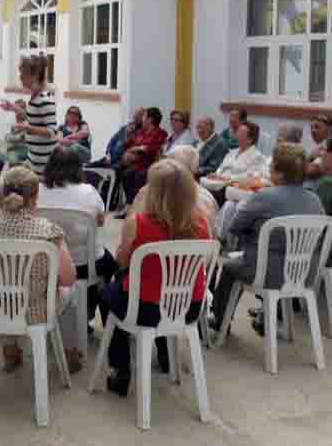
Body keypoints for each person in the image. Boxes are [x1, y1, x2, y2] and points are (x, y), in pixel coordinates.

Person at [100, 159, 208, 397]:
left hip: (145, 309)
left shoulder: (137, 223)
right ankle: (167, 357)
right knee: (163, 288)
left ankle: (120, 368)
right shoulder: (201, 222)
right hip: (188, 307)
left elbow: (122, 261)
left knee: (110, 294)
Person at [0, 166, 75, 371]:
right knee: (71, 290)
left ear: (2, 193)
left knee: (5, 287)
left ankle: (10, 349)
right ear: (35, 197)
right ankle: (70, 355)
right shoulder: (48, 231)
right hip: (34, 312)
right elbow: (68, 278)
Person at [209, 144, 325, 332]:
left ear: (278, 174)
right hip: (303, 273)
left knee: (230, 267)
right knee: (273, 255)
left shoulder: (264, 197)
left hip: (267, 272)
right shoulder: (315, 200)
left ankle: (220, 319)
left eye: (271, 168)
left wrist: (252, 237)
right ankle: (267, 317)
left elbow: (235, 227)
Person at [38, 144, 119, 371]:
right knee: (109, 264)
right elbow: (100, 221)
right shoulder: (88, 191)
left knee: (102, 261)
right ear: (78, 167)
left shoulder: (37, 190)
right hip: (84, 265)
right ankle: (94, 316)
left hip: (48, 263)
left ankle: (80, 315)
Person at [131, 145, 217, 237]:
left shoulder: (147, 193)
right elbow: (213, 237)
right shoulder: (208, 198)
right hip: (198, 249)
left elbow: (132, 232)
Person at [0, 55, 57, 175]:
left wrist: (26, 128)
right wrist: (13, 108)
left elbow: (52, 132)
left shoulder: (44, 98)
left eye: (22, 75)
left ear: (35, 76)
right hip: (33, 158)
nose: (20, 78)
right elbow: (33, 117)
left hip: (44, 163)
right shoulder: (35, 96)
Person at [116, 106, 168, 217]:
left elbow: (154, 149)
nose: (142, 119)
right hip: (136, 163)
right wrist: (128, 150)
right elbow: (128, 144)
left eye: (144, 116)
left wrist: (139, 148)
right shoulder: (141, 131)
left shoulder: (161, 133)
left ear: (150, 119)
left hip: (150, 164)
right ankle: (130, 205)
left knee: (139, 175)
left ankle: (132, 207)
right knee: (125, 173)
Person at [208, 120, 267, 202]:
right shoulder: (232, 152)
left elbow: (249, 178)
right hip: (217, 184)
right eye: (238, 132)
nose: (237, 135)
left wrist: (227, 179)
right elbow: (221, 167)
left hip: (232, 189)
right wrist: (216, 174)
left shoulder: (257, 157)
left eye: (241, 133)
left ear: (251, 139)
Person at [304, 114, 332, 184]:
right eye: (311, 128)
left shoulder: (329, 147)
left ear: (329, 129)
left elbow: (310, 171)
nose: (313, 131)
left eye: (317, 127)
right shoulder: (319, 147)